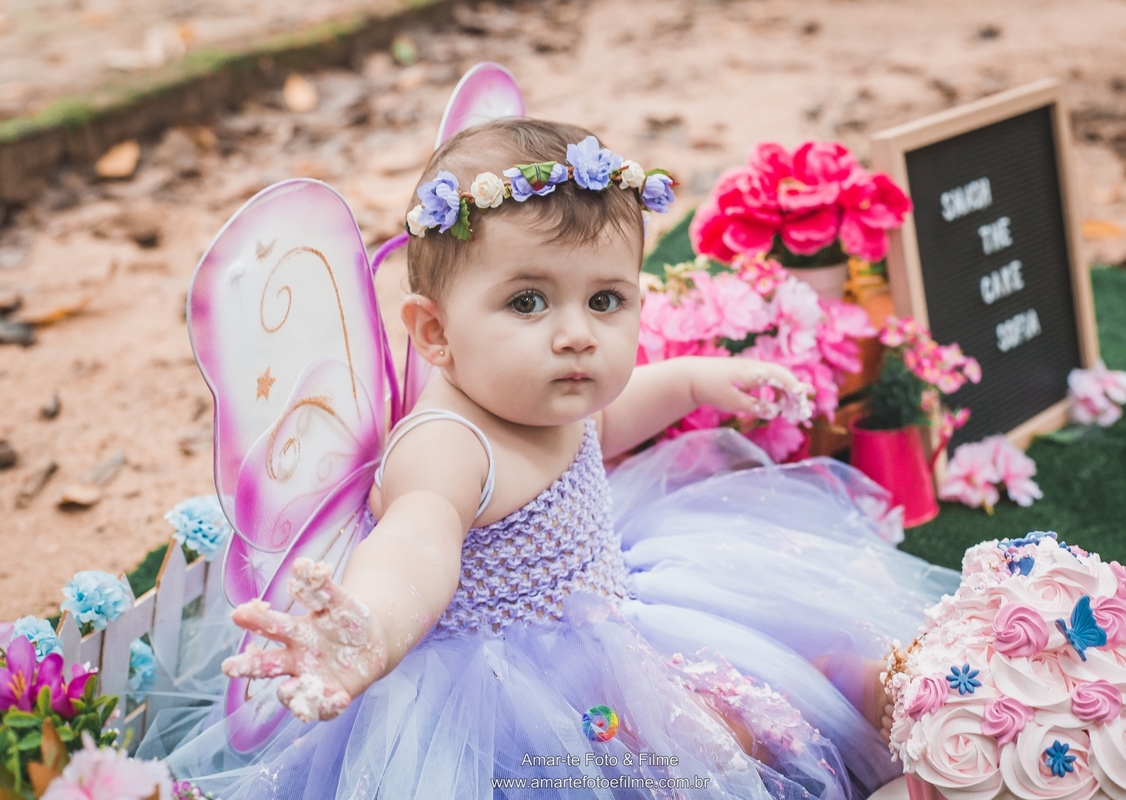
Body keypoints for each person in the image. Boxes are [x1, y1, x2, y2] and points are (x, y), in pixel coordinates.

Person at [148, 117, 959, 800]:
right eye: (528, 301)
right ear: (434, 333)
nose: (578, 332)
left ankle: (895, 713)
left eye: (605, 300)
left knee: (768, 693)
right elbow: (415, 545)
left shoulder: (546, 397)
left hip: (618, 614)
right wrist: (375, 627)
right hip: (516, 692)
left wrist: (697, 380)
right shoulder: (446, 445)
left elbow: (604, 431)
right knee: (668, 760)